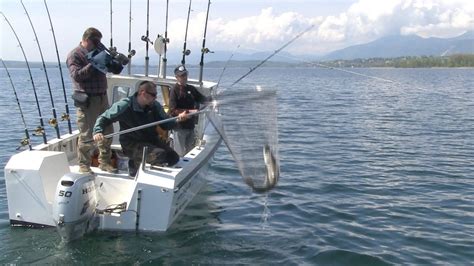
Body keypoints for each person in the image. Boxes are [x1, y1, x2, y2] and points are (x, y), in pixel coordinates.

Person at [93, 81, 188, 177]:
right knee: (160, 155)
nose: (155, 97)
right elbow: (104, 118)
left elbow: (165, 124)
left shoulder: (155, 106)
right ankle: (136, 166)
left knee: (173, 157)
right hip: (132, 143)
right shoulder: (125, 105)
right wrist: (98, 131)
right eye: (153, 95)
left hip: (151, 140)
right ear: (143, 93)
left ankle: (140, 164)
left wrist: (177, 120)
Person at [66, 27, 117, 174]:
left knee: (107, 130)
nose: (97, 45)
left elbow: (112, 68)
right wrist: (93, 63)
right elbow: (77, 76)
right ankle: (84, 165)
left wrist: (111, 60)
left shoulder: (97, 52)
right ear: (87, 40)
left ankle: (105, 162)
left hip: (102, 97)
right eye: (95, 42)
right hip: (87, 99)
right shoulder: (75, 55)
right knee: (87, 134)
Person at [169, 65, 208, 157]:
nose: (184, 77)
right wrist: (188, 112)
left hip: (190, 126)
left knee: (190, 151)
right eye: (181, 76)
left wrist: (212, 99)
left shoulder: (191, 89)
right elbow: (173, 110)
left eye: (185, 75)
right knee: (180, 153)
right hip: (179, 127)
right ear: (177, 77)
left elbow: (202, 99)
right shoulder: (174, 90)